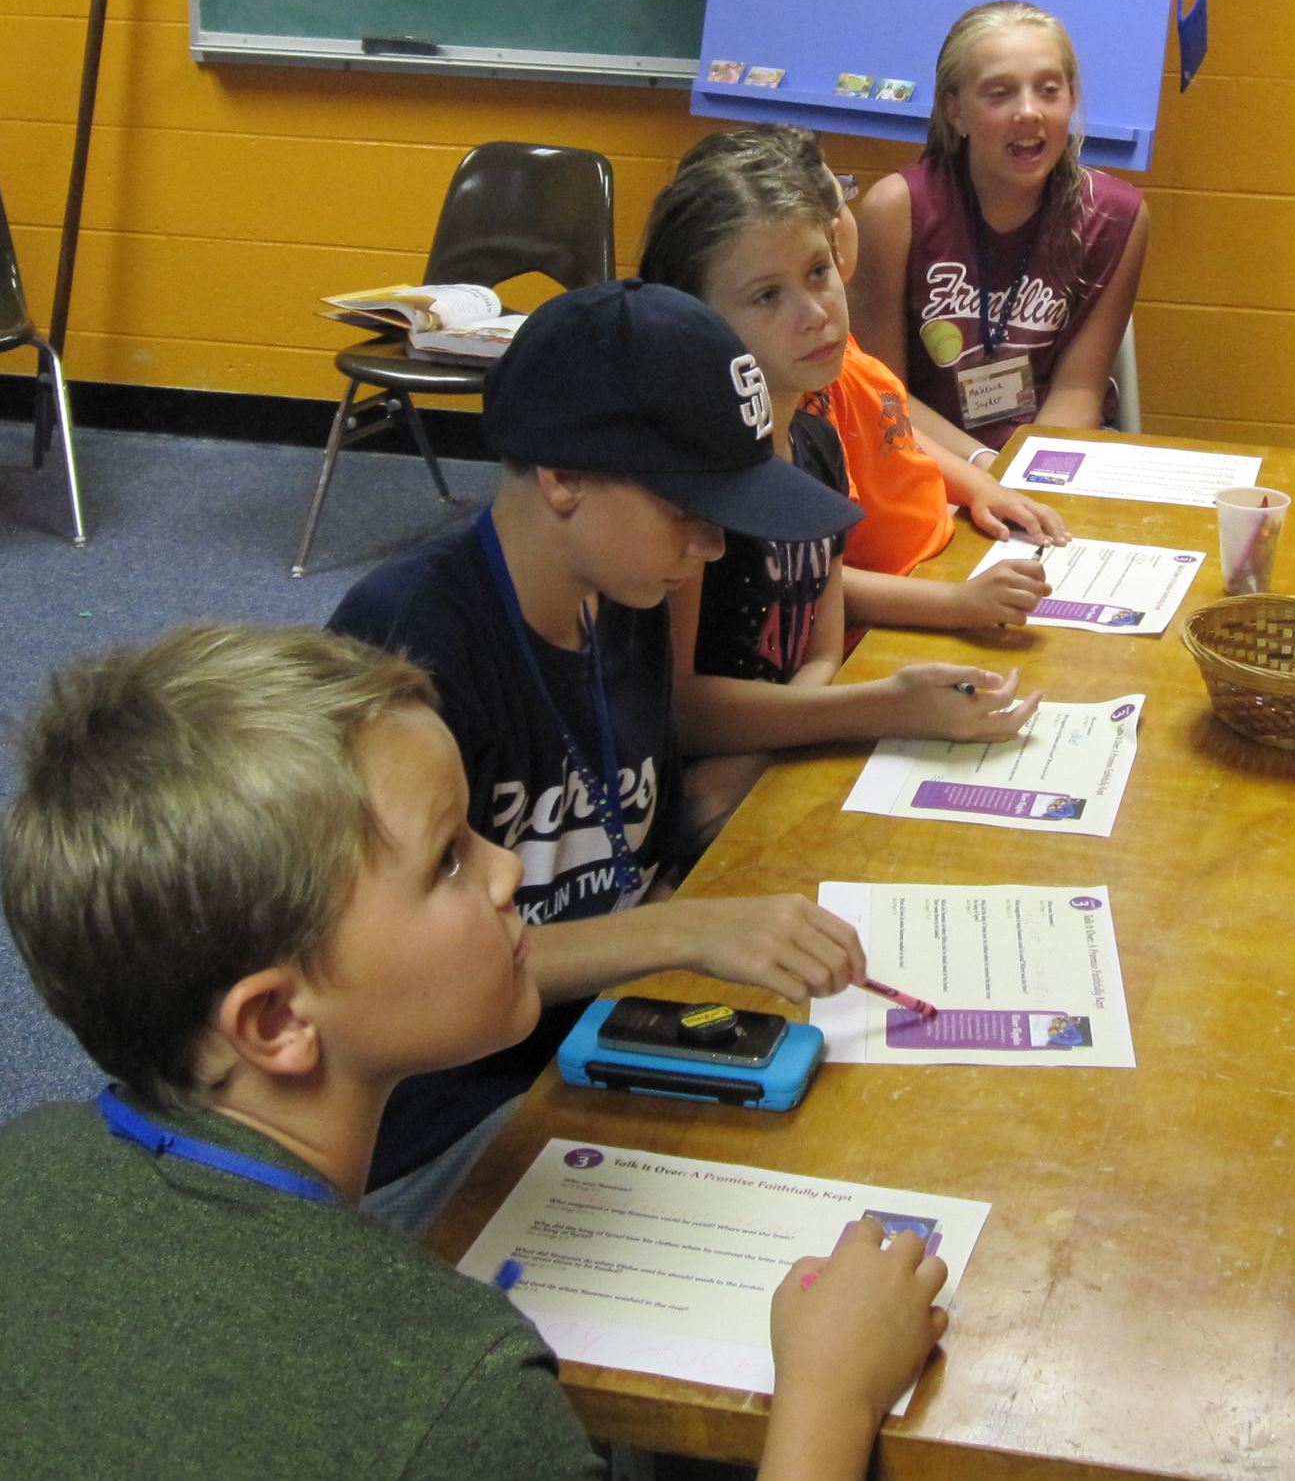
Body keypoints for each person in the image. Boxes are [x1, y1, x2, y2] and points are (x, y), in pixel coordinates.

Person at [0, 622, 948, 1481]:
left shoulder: (15, 1163)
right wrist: (829, 1395)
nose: (506, 870)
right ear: (274, 1023)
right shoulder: (452, 1389)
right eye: (447, 861)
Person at [325, 281, 998, 1233]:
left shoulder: (623, 591)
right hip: (451, 1120)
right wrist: (680, 932)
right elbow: (397, 983)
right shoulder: (408, 645)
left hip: (616, 1026)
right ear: (564, 475)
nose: (715, 546)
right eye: (689, 508)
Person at [635, 146, 1048, 827]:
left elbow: (821, 651)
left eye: (818, 272)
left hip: (774, 757)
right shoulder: (686, 486)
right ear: (693, 318)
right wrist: (882, 706)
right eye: (767, 295)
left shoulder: (817, 444)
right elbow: (679, 710)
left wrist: (771, 751)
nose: (817, 313)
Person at [717, 119, 1073, 561]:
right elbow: (817, 573)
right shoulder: (800, 376)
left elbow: (892, 432)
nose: (836, 225)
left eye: (839, 198)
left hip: (942, 550)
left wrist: (980, 485)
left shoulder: (830, 341)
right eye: (768, 294)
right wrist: (953, 598)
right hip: (909, 587)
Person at [852, 0, 1151, 452]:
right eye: (1000, 93)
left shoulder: (1115, 217)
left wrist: (1028, 476)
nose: (1029, 111)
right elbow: (883, 395)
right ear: (956, 111)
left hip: (1048, 456)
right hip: (929, 458)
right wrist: (981, 468)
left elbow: (1077, 390)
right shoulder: (896, 211)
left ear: (1071, 97)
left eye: (1048, 90)